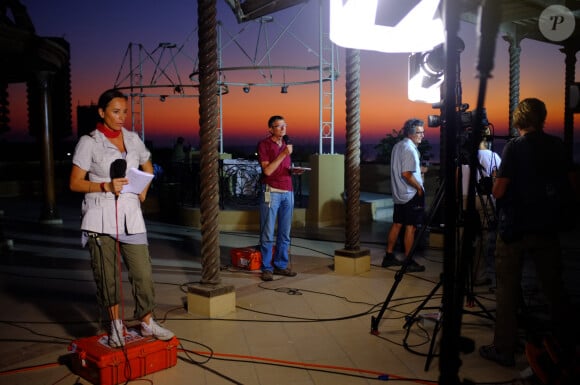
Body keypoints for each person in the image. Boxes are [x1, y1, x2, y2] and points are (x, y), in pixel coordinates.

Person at [69, 89, 174, 348]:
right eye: (115, 112)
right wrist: (105, 186)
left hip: (131, 217)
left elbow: (148, 165)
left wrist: (143, 191)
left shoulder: (133, 139)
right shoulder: (89, 142)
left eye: (125, 112)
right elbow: (74, 183)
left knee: (143, 273)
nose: (121, 117)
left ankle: (147, 322)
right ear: (102, 112)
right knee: (108, 276)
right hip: (100, 217)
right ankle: (116, 327)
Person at [479, 98, 575, 367]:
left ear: (518, 119)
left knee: (507, 289)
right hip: (547, 227)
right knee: (555, 289)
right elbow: (572, 184)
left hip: (515, 229)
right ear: (542, 117)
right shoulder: (557, 145)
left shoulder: (514, 147)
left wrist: (495, 183)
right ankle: (565, 342)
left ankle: (504, 349)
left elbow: (499, 191)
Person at [257, 115, 304, 281]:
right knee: (268, 232)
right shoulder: (264, 144)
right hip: (271, 191)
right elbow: (268, 171)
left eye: (285, 125)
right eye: (279, 126)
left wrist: (293, 171)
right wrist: (284, 153)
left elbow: (281, 167)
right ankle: (267, 268)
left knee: (285, 233)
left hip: (287, 192)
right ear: (270, 129)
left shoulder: (285, 144)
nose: (283, 129)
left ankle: (281, 265)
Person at [381, 118, 427, 273]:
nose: (422, 135)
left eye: (423, 132)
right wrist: (419, 188)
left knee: (397, 224)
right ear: (411, 133)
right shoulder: (410, 149)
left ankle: (388, 256)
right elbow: (406, 173)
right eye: (420, 132)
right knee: (411, 227)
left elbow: (404, 169)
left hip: (399, 194)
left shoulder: (398, 146)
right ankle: (408, 261)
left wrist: (419, 171)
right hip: (410, 194)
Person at [460, 126, 501, 286]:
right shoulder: (493, 157)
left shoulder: (463, 157)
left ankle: (461, 275)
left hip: (465, 199)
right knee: (485, 238)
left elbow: (457, 179)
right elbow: (498, 180)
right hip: (485, 199)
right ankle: (480, 276)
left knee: (464, 237)